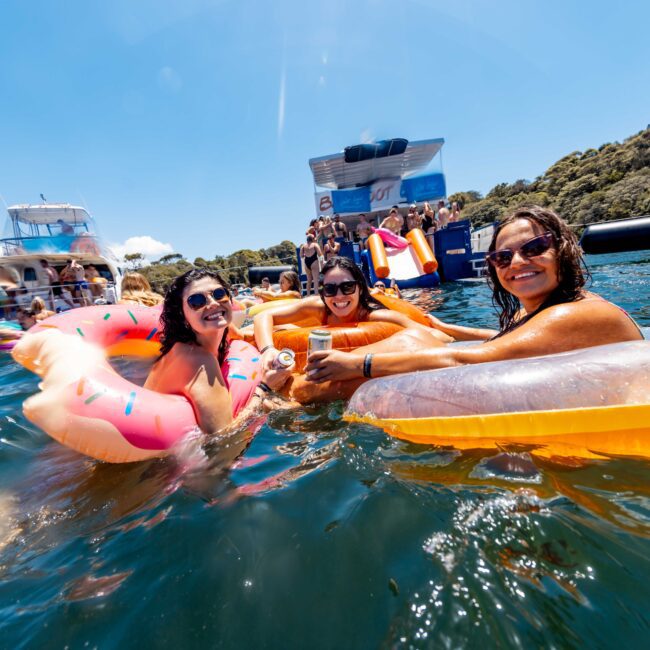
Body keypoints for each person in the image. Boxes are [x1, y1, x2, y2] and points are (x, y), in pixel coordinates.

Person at [305, 206, 643, 384]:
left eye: (535, 248)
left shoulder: (578, 313)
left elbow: (468, 360)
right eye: (503, 256)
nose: (518, 263)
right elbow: (506, 339)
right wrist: (446, 327)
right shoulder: (538, 312)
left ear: (563, 250)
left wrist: (359, 364)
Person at [255, 256, 452, 403]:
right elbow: (264, 316)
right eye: (330, 289)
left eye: (347, 287)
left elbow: (432, 335)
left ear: (359, 288)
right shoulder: (317, 307)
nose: (339, 296)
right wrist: (268, 349)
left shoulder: (377, 316)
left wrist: (443, 327)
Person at [144, 269, 263, 436]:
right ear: (182, 316)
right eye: (197, 300)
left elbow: (239, 334)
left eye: (219, 293)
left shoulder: (188, 344)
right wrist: (263, 390)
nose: (213, 303)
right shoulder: (198, 361)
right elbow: (225, 443)